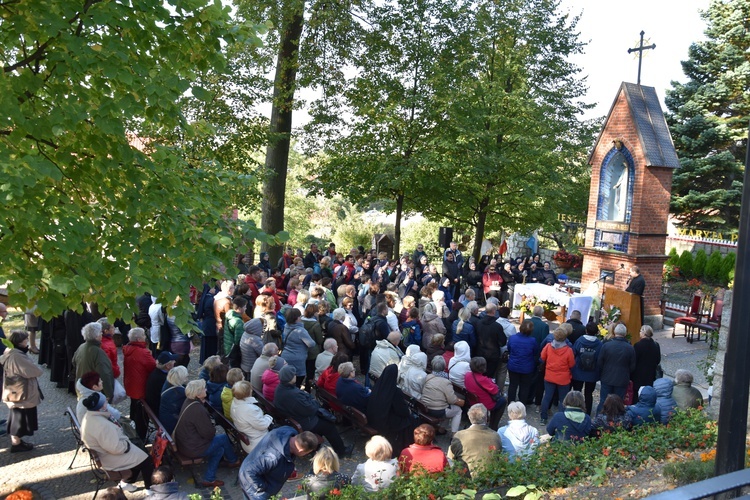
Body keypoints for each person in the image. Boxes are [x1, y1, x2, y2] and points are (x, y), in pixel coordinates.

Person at [80, 392, 154, 493]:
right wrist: (127, 444)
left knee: (139, 453)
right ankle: (150, 489)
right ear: (100, 407)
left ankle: (126, 483)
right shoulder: (102, 425)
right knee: (147, 460)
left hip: (105, 453)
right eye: (104, 401)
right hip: (110, 456)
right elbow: (117, 448)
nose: (107, 401)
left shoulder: (90, 416)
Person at [173, 379, 240, 488]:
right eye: (204, 389)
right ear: (198, 394)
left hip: (185, 443)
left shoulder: (189, 402)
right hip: (193, 448)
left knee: (220, 449)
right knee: (222, 438)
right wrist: (213, 426)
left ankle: (209, 478)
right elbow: (209, 433)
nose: (206, 389)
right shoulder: (198, 409)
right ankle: (234, 461)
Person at [275, 365, 352, 457]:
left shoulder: (279, 389)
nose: (295, 375)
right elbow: (310, 409)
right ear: (290, 378)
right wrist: (313, 401)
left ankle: (315, 447)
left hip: (293, 419)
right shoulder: (294, 394)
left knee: (324, 421)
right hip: (305, 421)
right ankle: (341, 451)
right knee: (329, 426)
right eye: (294, 375)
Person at [239, 427, 319, 500]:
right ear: (301, 450)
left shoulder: (289, 432)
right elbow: (247, 472)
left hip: (257, 470)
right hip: (255, 489)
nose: (306, 455)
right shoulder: (273, 458)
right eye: (307, 453)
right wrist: (262, 490)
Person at [2, 330, 43, 452]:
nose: (27, 341)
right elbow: (33, 371)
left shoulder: (11, 352)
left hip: (15, 390)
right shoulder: (17, 356)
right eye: (26, 340)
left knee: (17, 417)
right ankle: (16, 444)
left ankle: (17, 442)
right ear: (20, 342)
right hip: (21, 392)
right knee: (18, 420)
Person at [367, 364, 417, 457]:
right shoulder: (395, 391)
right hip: (386, 423)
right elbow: (402, 411)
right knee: (410, 420)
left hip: (374, 419)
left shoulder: (377, 386)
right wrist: (408, 411)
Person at [448, 403, 502, 475]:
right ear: (487, 418)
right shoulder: (495, 436)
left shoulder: (460, 436)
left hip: (467, 477)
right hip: (490, 477)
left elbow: (450, 457)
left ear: (469, 417)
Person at [122, 327, 156, 440]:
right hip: (141, 387)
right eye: (143, 335)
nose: (145, 337)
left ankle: (132, 430)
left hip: (131, 385)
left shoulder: (128, 349)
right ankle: (141, 437)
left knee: (134, 409)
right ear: (138, 338)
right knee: (142, 415)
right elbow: (153, 367)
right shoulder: (143, 352)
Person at [596, 323, 636, 413]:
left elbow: (600, 362)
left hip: (607, 377)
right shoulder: (630, 348)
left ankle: (599, 419)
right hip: (622, 379)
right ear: (625, 334)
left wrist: (603, 372)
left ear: (614, 332)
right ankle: (616, 422)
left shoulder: (606, 346)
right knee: (618, 402)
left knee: (603, 400)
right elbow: (632, 366)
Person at [539, 328, 575, 425]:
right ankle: (561, 420)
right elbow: (571, 364)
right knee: (563, 399)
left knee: (547, 397)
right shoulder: (568, 350)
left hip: (549, 375)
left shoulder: (548, 346)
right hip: (563, 378)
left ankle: (543, 418)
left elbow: (542, 357)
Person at [421, 357, 465, 435]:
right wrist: (461, 401)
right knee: (458, 410)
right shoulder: (446, 382)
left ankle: (441, 429)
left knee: (448, 406)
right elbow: (452, 400)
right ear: (444, 367)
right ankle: (454, 436)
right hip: (438, 410)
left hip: (425, 407)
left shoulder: (428, 377)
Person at [73, 322, 115, 401]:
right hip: (94, 390)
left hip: (82, 387)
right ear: (96, 336)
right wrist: (109, 394)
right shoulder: (98, 352)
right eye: (100, 332)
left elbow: (74, 362)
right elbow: (104, 374)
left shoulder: (81, 347)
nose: (101, 334)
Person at [464, 357, 507, 430]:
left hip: (472, 401)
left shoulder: (467, 375)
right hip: (484, 403)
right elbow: (495, 391)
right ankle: (494, 426)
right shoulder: (483, 380)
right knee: (503, 401)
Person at [230, 380, 273, 454]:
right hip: (257, 442)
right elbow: (262, 425)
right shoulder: (249, 410)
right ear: (248, 393)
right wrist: (269, 417)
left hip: (247, 439)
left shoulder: (234, 403)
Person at [571, 322, 603, 416]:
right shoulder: (599, 344)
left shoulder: (580, 341)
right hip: (592, 373)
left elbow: (574, 353)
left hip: (578, 371)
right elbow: (600, 357)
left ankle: (576, 409)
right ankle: (587, 412)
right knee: (589, 393)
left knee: (577, 391)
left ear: (586, 330)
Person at [280, 308, 316, 388]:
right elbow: (311, 344)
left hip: (285, 356)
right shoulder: (301, 331)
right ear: (296, 318)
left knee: (287, 380)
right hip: (297, 359)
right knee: (297, 382)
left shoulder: (286, 327)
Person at [507, 320, 539, 404]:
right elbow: (535, 352)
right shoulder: (532, 340)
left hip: (513, 365)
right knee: (525, 386)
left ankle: (510, 402)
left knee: (513, 385)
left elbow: (509, 349)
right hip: (527, 367)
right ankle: (522, 403)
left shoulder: (513, 338)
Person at [475, 302, 506, 380]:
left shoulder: (478, 323)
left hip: (480, 352)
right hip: (493, 355)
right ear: (494, 311)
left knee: (480, 375)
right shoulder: (497, 326)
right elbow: (503, 342)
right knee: (490, 377)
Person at [632, 325, 661, 404]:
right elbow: (658, 360)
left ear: (644, 333)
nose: (639, 333)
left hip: (638, 375)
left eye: (640, 331)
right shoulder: (656, 345)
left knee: (637, 396)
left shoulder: (638, 345)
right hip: (650, 374)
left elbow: (634, 361)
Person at [144, 352, 177, 421]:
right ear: (168, 366)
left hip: (153, 406)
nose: (175, 362)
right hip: (158, 410)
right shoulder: (163, 379)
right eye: (173, 361)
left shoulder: (157, 373)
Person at [159, 366, 188, 435]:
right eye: (186, 377)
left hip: (165, 420)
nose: (187, 379)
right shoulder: (180, 393)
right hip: (172, 427)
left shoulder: (168, 383)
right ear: (181, 379)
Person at [224, 296, 247, 368]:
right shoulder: (238, 322)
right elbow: (238, 340)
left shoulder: (229, 315)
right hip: (233, 350)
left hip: (228, 346)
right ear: (240, 308)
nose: (246, 308)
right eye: (244, 307)